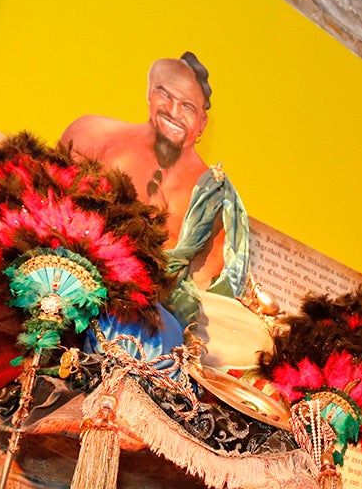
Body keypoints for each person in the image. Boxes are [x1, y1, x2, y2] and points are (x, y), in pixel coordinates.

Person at [61, 53, 271, 372]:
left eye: (187, 107)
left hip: (141, 342)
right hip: (59, 299)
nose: (173, 112)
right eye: (165, 95)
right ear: (149, 92)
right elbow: (42, 212)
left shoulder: (214, 199)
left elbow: (208, 304)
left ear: (202, 123)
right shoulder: (92, 134)